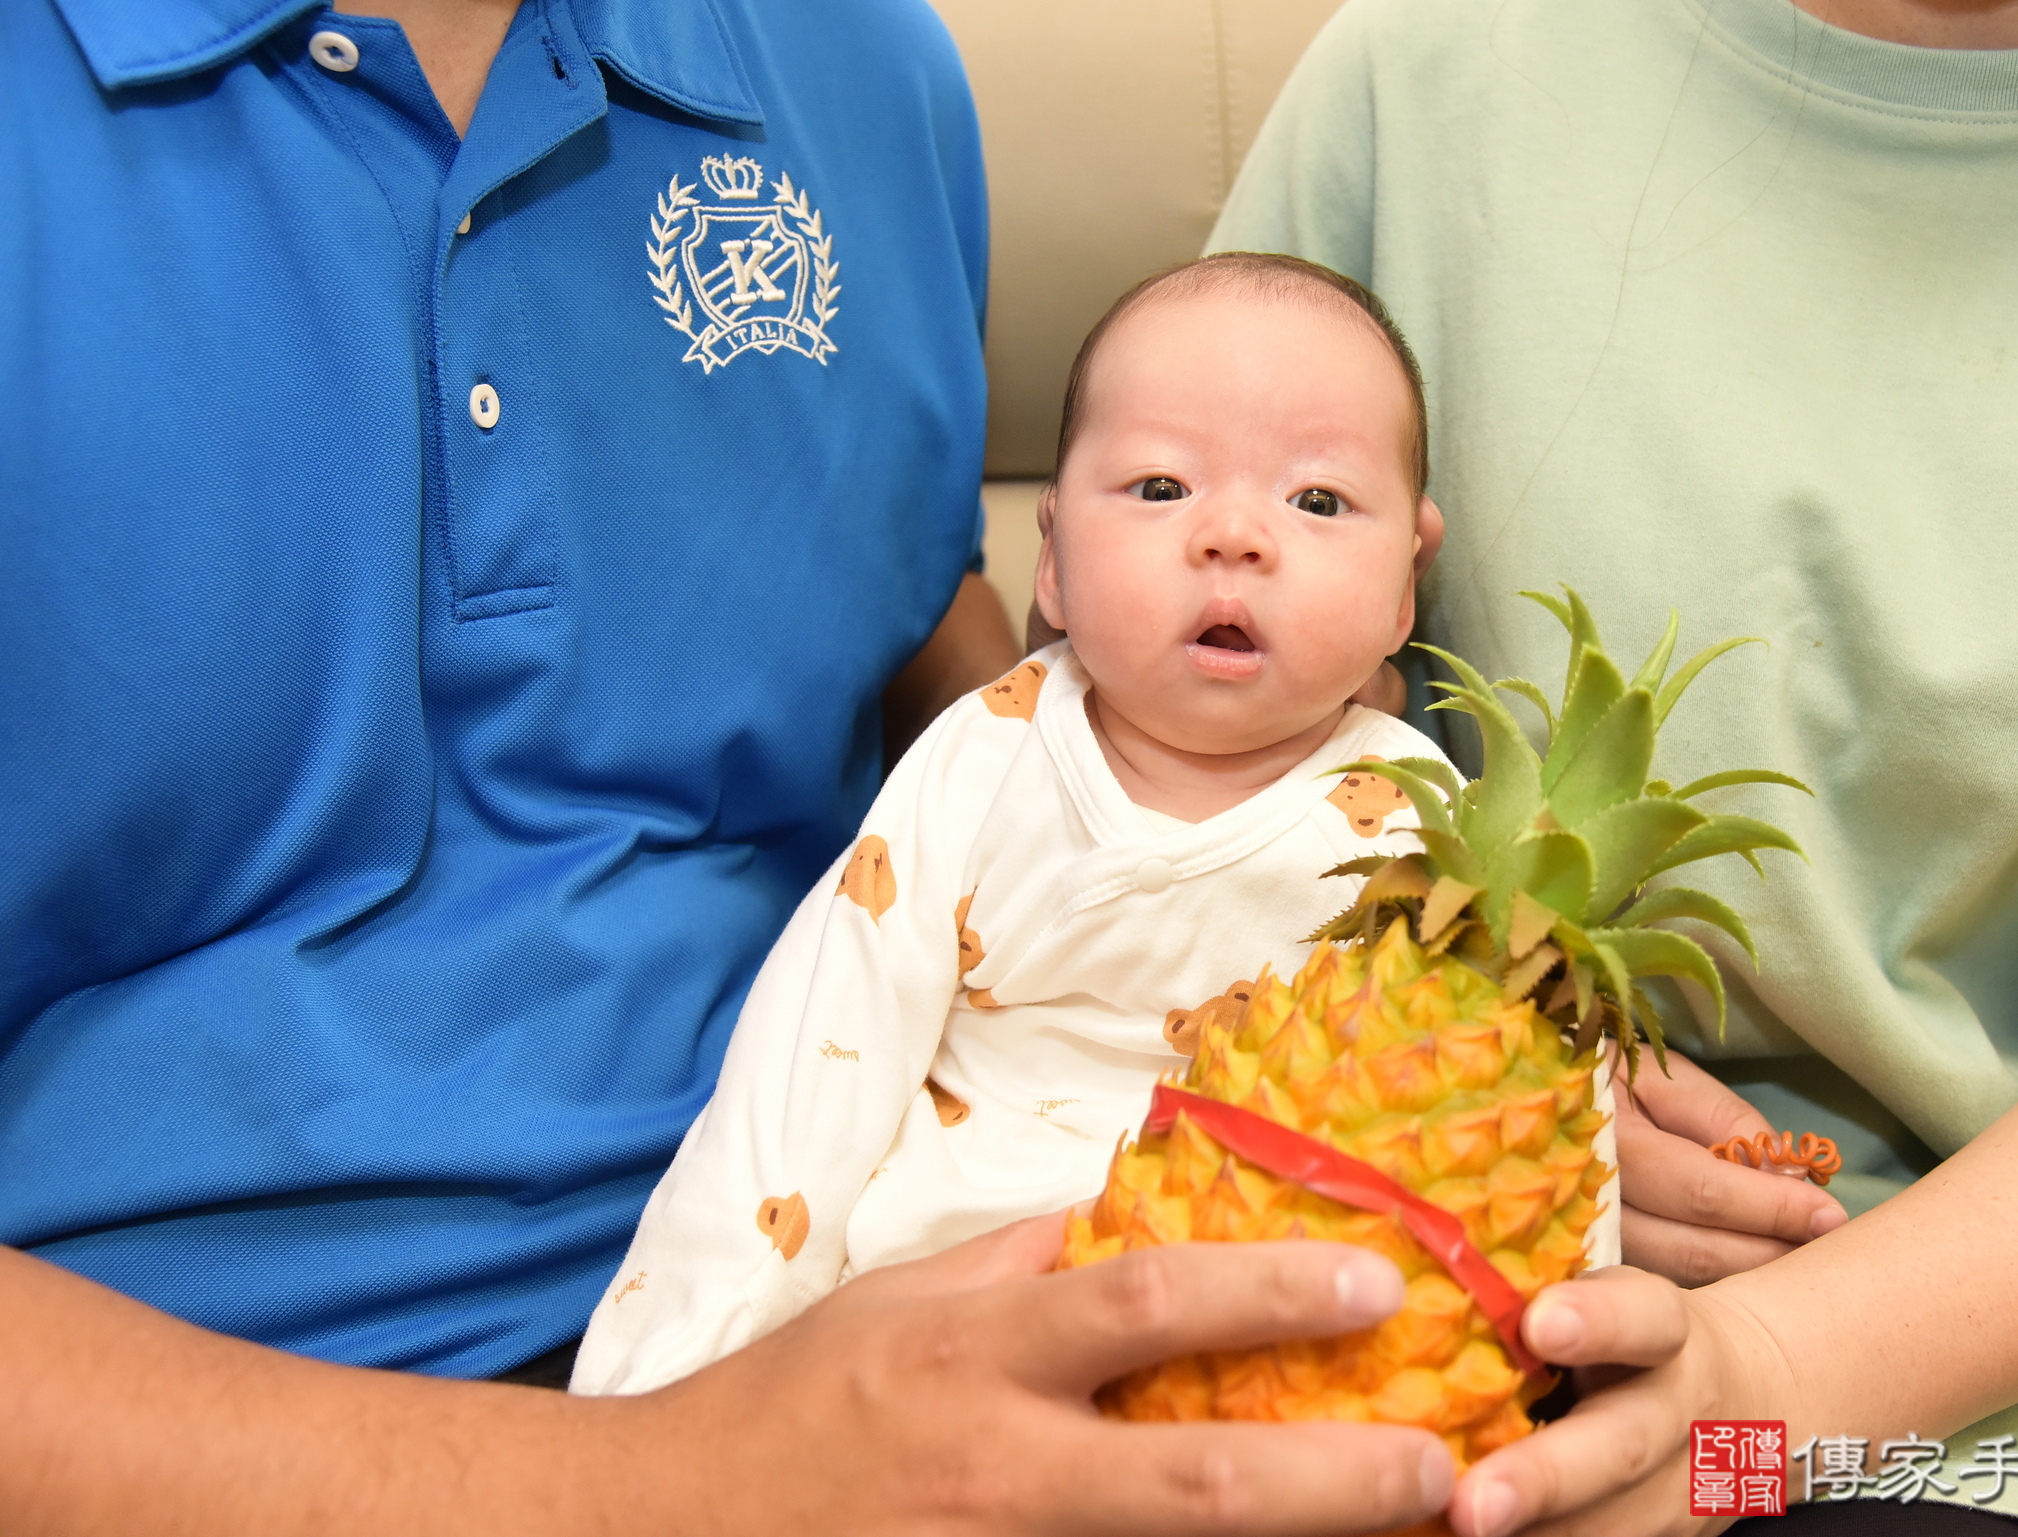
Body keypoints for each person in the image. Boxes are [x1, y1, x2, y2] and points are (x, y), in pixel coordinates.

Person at [1, 5, 1471, 1537]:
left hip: (966, 1311)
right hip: (211, 1439)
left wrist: (1462, 1067)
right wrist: (650, 1504)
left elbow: (904, 620)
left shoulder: (861, 65)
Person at [1209, 0, 2018, 1537]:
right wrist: (1489, 1089)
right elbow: (1156, 759)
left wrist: (1774, 1385)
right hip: (1621, 1352)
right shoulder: (1430, 78)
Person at [573, 253, 1482, 1394]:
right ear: (1050, 558)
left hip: (1265, 1345)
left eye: (1318, 500)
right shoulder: (984, 760)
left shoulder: (1421, 826)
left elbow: (1488, 1115)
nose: (1236, 536)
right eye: (1161, 489)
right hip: (942, 1323)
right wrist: (679, 1380)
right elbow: (814, 1064)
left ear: (1406, 585)